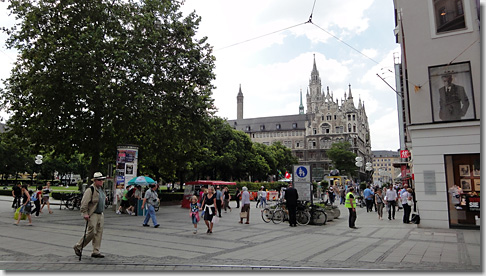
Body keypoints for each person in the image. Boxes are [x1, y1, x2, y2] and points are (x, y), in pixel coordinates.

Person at [73, 172, 106, 258]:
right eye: (99, 180)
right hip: (93, 213)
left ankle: (96, 251)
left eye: (102, 180)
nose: (101, 182)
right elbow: (84, 203)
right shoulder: (90, 190)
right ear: (95, 181)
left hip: (100, 213)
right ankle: (78, 246)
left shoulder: (101, 190)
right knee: (91, 232)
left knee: (99, 233)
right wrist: (85, 213)